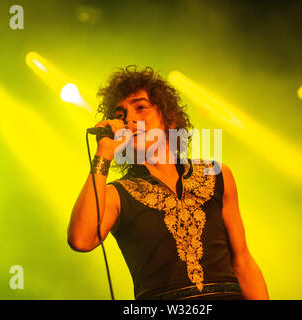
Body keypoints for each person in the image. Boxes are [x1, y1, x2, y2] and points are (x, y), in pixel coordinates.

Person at [67, 66, 269, 300]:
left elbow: (243, 261)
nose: (130, 119)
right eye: (120, 115)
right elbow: (81, 240)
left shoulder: (216, 173)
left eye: (140, 107)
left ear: (169, 119)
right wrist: (103, 154)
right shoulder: (115, 195)